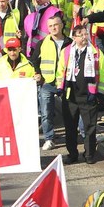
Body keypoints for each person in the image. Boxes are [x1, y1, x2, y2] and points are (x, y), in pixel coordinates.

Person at [57, 24, 104, 165]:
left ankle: (89, 154)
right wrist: (60, 87)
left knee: (90, 127)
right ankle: (72, 154)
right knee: (70, 127)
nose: (85, 37)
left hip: (89, 96)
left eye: (86, 34)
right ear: (74, 37)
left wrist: (100, 93)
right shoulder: (67, 52)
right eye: (81, 35)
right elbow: (61, 71)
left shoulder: (96, 52)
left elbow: (103, 74)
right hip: (71, 96)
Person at [32, 14, 69, 151]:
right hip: (47, 82)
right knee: (46, 112)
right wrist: (38, 74)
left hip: (65, 83)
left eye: (56, 25)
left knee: (70, 112)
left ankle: (74, 135)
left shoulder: (70, 42)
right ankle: (49, 138)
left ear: (61, 25)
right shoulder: (43, 42)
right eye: (50, 26)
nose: (53, 28)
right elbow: (34, 60)